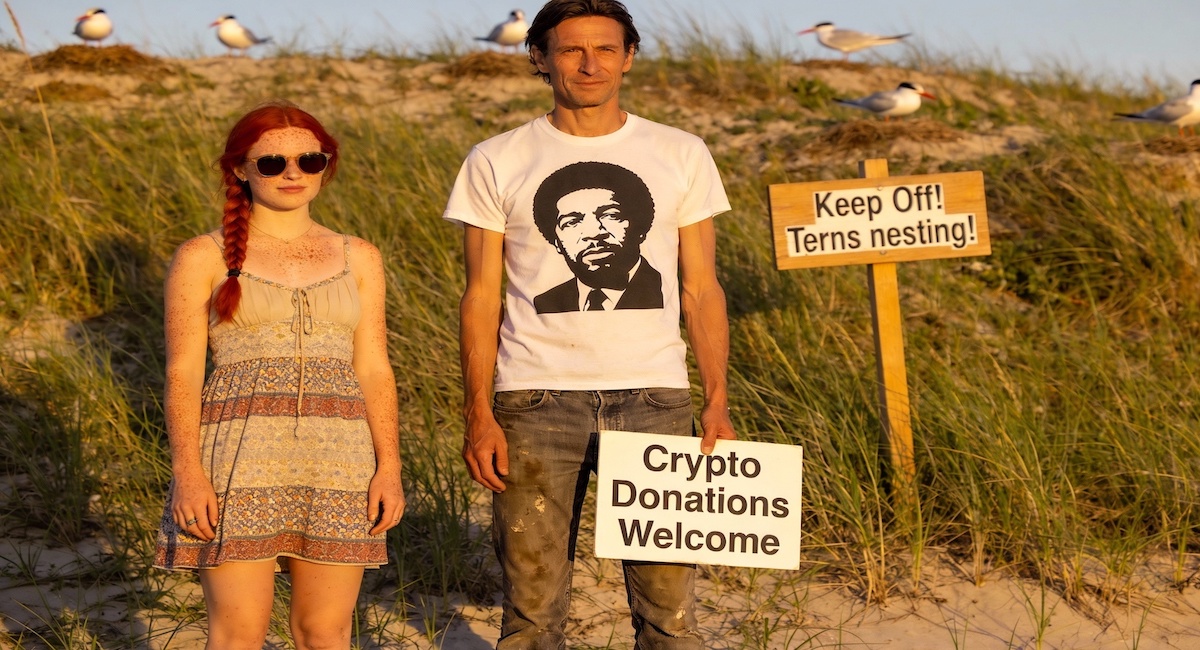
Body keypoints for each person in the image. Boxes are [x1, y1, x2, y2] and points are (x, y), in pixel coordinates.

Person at [443, 0, 736, 646]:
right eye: (571, 49)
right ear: (539, 58)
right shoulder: (496, 159)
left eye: (606, 49)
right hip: (535, 400)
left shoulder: (680, 152)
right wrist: (477, 412)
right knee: (531, 612)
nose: (589, 64)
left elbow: (701, 288)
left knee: (671, 615)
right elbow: (481, 296)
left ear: (629, 57)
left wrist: (715, 401)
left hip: (656, 399)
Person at [154, 100, 405, 650]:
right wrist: (188, 471)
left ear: (325, 166)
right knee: (238, 633)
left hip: (341, 460)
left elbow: (374, 367)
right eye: (271, 163)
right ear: (240, 169)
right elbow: (183, 371)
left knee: (326, 632)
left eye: (308, 161)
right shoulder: (203, 256)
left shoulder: (358, 255)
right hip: (237, 458)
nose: (292, 174)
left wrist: (389, 465)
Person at [532, 161, 663, 313]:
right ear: (556, 243)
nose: (593, 233)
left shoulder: (664, 291)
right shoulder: (545, 304)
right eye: (572, 222)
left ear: (640, 227)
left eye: (610, 215)